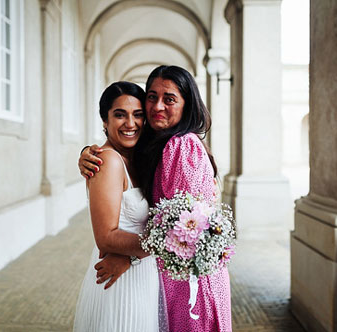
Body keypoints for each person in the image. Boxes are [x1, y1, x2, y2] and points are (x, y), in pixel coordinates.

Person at [79, 65, 231, 331]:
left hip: (185, 282)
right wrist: (87, 154)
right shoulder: (151, 149)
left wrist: (131, 257)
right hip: (149, 280)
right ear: (104, 120)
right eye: (151, 97)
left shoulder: (180, 146)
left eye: (169, 99)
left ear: (187, 104)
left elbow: (190, 231)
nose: (157, 106)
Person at [72, 81, 159, 331]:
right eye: (119, 115)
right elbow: (106, 238)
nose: (130, 123)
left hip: (139, 274)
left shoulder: (139, 158)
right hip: (120, 282)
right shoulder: (108, 161)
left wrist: (133, 257)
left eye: (138, 114)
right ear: (104, 120)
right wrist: (168, 244)